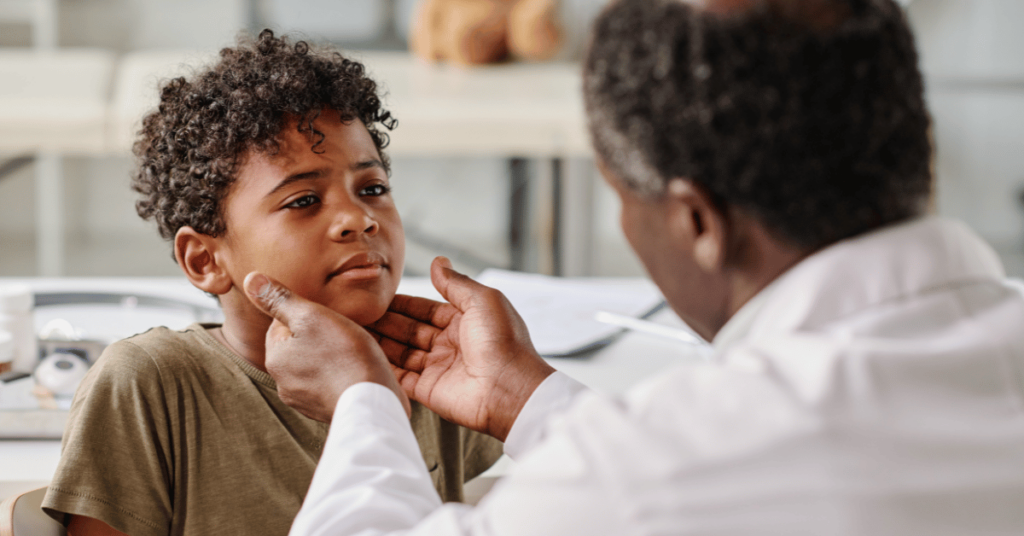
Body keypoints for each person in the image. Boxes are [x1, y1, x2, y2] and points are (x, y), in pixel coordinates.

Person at [244, 0, 1024, 534]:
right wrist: (532, 401)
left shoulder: (660, 470)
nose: (357, 218)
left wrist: (362, 401)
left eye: (623, 200)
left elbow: (679, 482)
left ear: (696, 222)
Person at [40, 30, 503, 536]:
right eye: (303, 200)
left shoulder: (430, 369)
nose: (359, 219)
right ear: (204, 260)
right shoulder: (150, 384)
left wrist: (510, 390)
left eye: (372, 189)